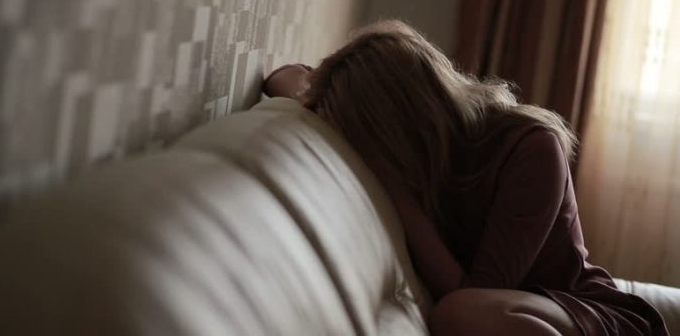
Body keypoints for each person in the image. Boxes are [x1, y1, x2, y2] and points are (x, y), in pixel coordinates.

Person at [263, 20, 668, 335]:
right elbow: (282, 77)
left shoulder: (530, 148)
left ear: (411, 119)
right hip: (512, 316)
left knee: (461, 312)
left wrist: (399, 197)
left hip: (583, 312)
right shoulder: (424, 158)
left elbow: (475, 296)